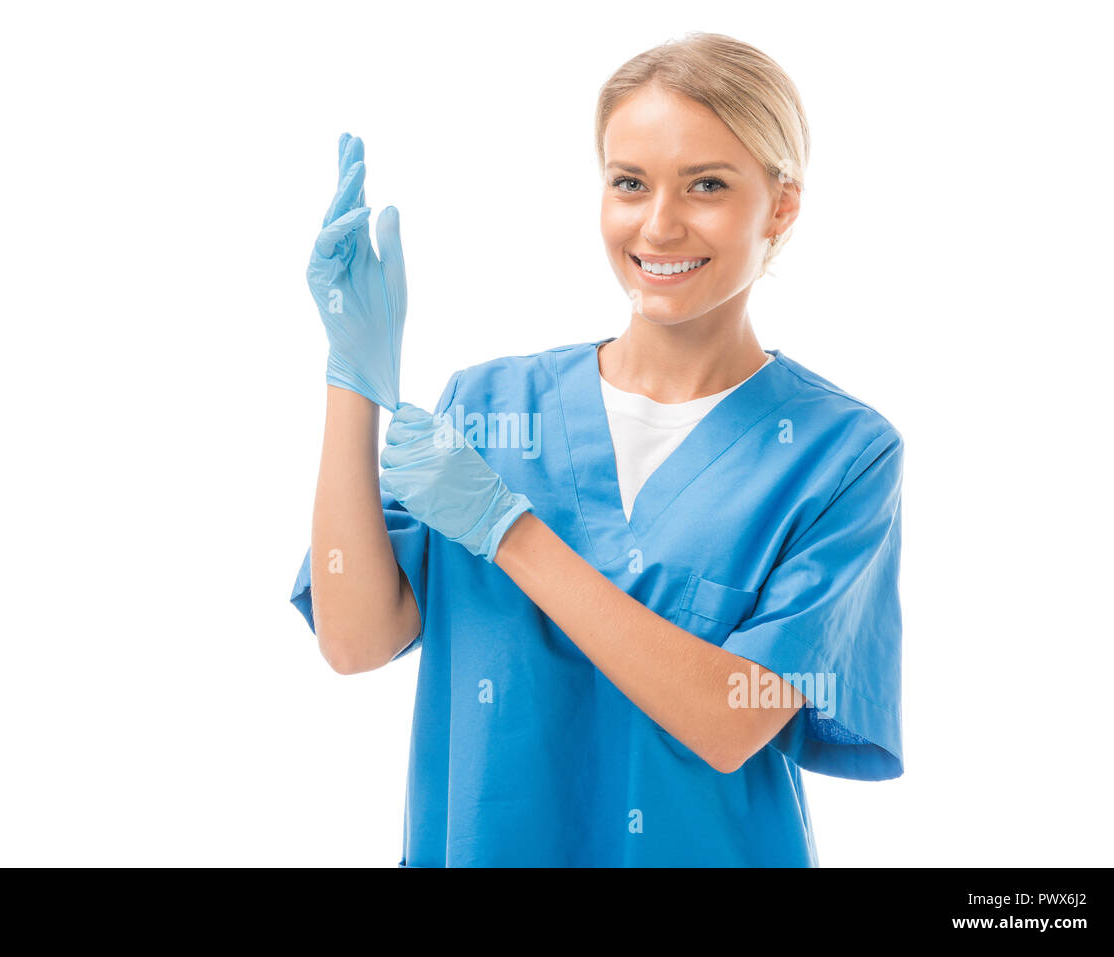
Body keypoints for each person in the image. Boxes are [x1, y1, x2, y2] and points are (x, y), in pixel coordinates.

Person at [291, 32, 904, 867]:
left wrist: (509, 532)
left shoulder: (840, 457)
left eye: (708, 185)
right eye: (629, 183)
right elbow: (354, 642)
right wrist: (352, 380)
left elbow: (731, 719)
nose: (658, 224)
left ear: (782, 207)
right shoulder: (488, 407)